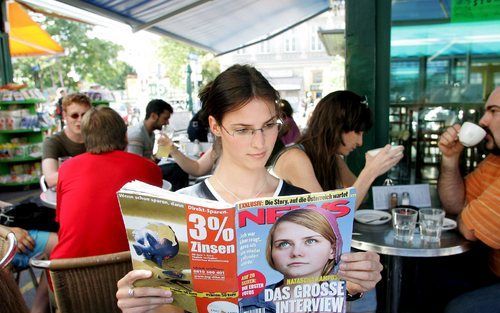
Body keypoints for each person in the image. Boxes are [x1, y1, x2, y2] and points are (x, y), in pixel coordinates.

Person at [116, 65, 383, 313]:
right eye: (243, 130)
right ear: (215, 126)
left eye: (269, 126)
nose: (260, 143)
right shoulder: (177, 209)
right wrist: (144, 305)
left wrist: (351, 287)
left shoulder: (304, 204)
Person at [51, 106, 162, 260]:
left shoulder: (67, 169)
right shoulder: (150, 168)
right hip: (134, 267)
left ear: (85, 137)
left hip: (70, 272)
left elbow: (62, 223)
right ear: (125, 136)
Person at [272, 90, 404, 209]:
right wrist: (370, 172)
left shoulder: (331, 157)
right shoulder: (295, 157)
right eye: (358, 132)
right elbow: (323, 216)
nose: (360, 142)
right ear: (336, 126)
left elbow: (363, 197)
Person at [438, 87, 500, 313]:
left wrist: (471, 215)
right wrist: (450, 158)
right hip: (490, 270)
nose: (483, 121)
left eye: (494, 111)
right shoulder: (494, 162)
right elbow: (454, 205)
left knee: (460, 309)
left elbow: (470, 228)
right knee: (431, 279)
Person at [240, 208, 343, 312]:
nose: (296, 252)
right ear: (271, 251)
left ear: (333, 250)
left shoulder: (348, 294)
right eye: (284, 244)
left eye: (310, 241)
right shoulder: (248, 303)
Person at [126, 99, 188, 191]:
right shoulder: (137, 134)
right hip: (138, 178)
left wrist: (164, 152)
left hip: (146, 171)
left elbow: (148, 160)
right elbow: (135, 164)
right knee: (177, 170)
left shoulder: (151, 134)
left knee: (178, 166)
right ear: (154, 116)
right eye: (165, 118)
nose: (167, 123)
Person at [42, 93, 91, 188]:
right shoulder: (52, 142)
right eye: (74, 115)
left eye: (84, 115)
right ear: (65, 116)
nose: (80, 120)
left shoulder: (99, 138)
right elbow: (50, 179)